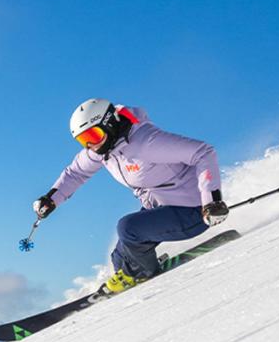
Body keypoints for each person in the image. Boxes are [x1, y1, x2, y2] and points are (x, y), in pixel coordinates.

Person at [33, 99, 228, 293]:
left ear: (108, 123)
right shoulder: (102, 150)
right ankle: (132, 274)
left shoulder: (145, 142)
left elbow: (203, 152)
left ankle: (143, 274)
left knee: (128, 228)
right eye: (84, 140)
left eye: (94, 135)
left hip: (194, 210)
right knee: (119, 259)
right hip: (160, 206)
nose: (91, 144)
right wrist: (51, 199)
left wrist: (212, 202)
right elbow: (76, 173)